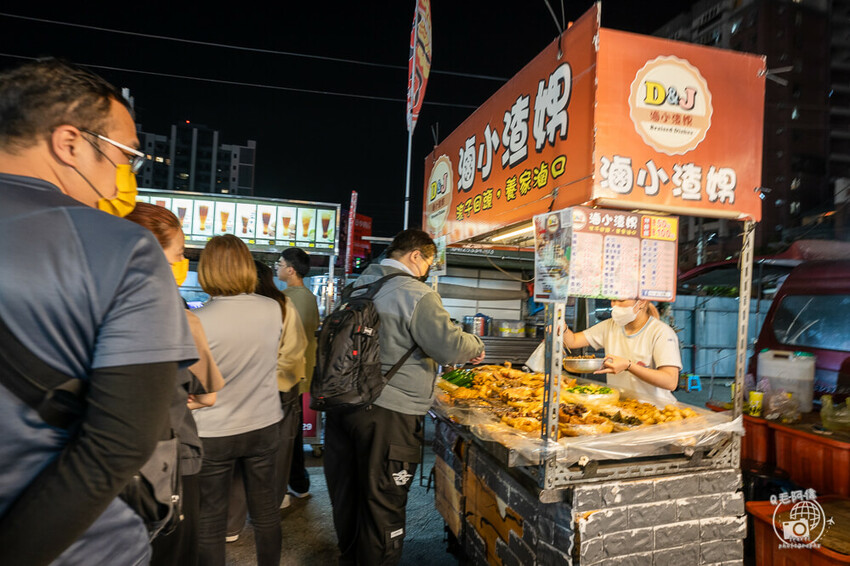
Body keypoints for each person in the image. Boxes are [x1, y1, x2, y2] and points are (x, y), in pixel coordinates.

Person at [0, 59, 197, 564]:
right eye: (124, 154)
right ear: (69, 143)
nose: (124, 172)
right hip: (80, 547)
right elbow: (118, 446)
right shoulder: (122, 248)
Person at [323, 229, 485, 566]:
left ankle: (351, 559)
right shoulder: (414, 292)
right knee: (384, 502)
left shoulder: (357, 286)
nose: (427, 271)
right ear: (415, 256)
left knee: (348, 495)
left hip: (343, 407)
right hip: (389, 414)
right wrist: (475, 345)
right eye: (428, 263)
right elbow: (449, 345)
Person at [125, 202, 226, 566]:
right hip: (172, 461)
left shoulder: (86, 309)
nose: (182, 263)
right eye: (179, 254)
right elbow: (209, 395)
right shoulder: (181, 319)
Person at [192, 235, 283, 566]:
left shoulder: (199, 320)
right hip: (263, 424)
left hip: (213, 430)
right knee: (266, 514)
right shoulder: (273, 308)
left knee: (210, 521)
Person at [225, 260, 307, 540]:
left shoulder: (233, 304)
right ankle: (267, 516)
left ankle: (232, 524)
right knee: (277, 454)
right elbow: (295, 351)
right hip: (280, 390)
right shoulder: (283, 305)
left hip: (241, 391)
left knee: (237, 454)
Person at [562, 299, 682, 403]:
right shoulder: (610, 326)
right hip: (622, 407)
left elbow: (670, 381)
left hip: (656, 411)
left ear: (641, 302)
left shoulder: (661, 332)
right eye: (613, 300)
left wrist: (629, 366)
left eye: (621, 301)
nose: (614, 305)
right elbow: (573, 341)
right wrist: (563, 329)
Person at [277, 247, 320, 499]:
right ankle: (299, 483)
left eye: (280, 263)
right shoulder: (309, 296)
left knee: (286, 435)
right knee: (291, 432)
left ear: (291, 270)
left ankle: (291, 484)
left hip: (289, 375)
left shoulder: (288, 298)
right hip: (303, 372)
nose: (277, 266)